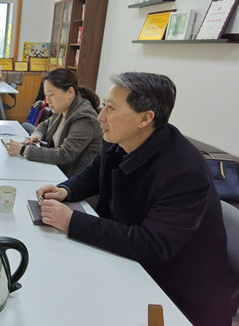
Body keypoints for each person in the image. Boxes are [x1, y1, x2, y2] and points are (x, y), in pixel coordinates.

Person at [37, 72, 239, 326]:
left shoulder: (185, 171)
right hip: (128, 263)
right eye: (104, 105)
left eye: (111, 108)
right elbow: (95, 173)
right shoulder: (120, 138)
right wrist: (66, 190)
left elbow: (152, 245)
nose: (101, 116)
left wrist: (72, 221)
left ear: (145, 118)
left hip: (177, 293)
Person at [6, 68, 102, 178]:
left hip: (72, 180)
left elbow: (64, 155)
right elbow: (45, 124)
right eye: (46, 96)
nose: (47, 101)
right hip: (55, 171)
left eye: (51, 95)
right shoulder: (63, 107)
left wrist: (23, 150)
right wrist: (37, 134)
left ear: (70, 92)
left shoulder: (84, 118)